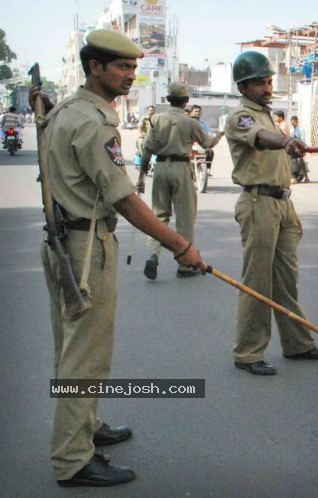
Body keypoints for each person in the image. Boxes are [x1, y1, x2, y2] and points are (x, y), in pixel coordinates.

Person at [31, 29, 204, 488]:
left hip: (62, 240)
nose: (131, 75)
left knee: (71, 349)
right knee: (85, 358)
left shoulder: (68, 110)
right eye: (122, 67)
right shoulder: (92, 122)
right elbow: (125, 200)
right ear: (95, 68)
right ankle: (72, 458)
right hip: (86, 247)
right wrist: (179, 245)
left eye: (133, 67)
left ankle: (85, 428)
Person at [224, 51, 318, 376]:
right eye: (259, 82)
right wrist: (285, 141)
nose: (267, 87)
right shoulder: (241, 116)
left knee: (287, 280)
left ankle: (298, 344)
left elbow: (275, 143)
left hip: (282, 202)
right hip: (258, 203)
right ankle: (248, 352)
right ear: (243, 86)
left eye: (269, 81)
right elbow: (261, 138)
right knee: (257, 281)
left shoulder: (269, 114)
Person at [138, 83, 223, 280]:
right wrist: (219, 135)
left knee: (158, 217)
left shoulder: (156, 119)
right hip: (181, 169)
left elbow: (147, 149)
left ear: (168, 100)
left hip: (160, 168)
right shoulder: (190, 122)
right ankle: (184, 265)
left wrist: (142, 177)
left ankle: (153, 255)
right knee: (185, 218)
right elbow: (207, 144)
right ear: (185, 101)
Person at [189, 104, 215, 172]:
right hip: (189, 144)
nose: (197, 113)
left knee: (210, 152)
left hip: (200, 144)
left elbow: (209, 133)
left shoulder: (204, 124)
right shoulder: (187, 122)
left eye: (199, 111)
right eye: (195, 111)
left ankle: (207, 170)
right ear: (191, 112)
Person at [290, 115, 310, 183]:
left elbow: (302, 140)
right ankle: (293, 176)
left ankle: (306, 177)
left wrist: (303, 150)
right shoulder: (291, 130)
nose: (293, 124)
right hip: (293, 149)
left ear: (297, 122)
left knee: (300, 161)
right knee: (290, 161)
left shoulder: (301, 130)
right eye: (292, 122)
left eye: (295, 122)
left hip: (300, 149)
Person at [136, 105, 155, 171]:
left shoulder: (156, 119)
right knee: (140, 142)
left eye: (153, 110)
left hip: (154, 138)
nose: (152, 112)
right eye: (151, 110)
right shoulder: (143, 119)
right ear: (147, 111)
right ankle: (143, 156)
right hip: (145, 137)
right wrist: (141, 134)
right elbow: (140, 128)